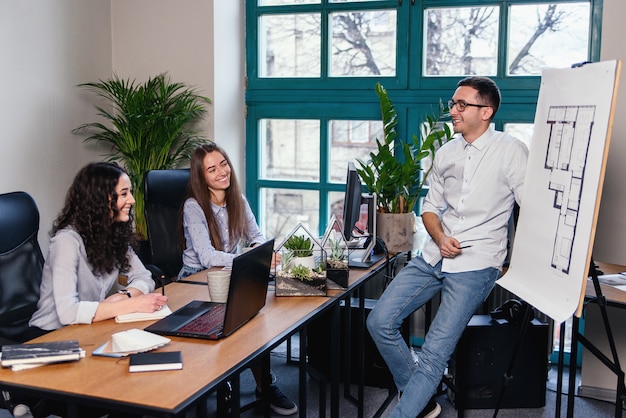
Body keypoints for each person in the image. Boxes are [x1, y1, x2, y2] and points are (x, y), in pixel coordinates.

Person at [366, 76, 529, 418]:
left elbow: (531, 208)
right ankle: (421, 401)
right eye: (453, 103)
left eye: (461, 105)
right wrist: (439, 237)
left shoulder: (510, 151)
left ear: (486, 111)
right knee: (380, 321)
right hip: (434, 256)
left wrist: (518, 260)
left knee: (434, 353)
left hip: (477, 263)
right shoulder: (446, 152)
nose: (452, 110)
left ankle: (405, 411)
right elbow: (430, 208)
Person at [25, 161, 167, 418]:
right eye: (124, 194)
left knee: (142, 379)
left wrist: (123, 296)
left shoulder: (112, 233)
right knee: (125, 390)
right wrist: (132, 304)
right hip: (50, 340)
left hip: (88, 332)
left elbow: (144, 277)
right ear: (101, 199)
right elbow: (68, 312)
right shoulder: (67, 242)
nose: (132, 200)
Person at [179, 142, 297, 416]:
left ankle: (264, 384)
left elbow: (257, 237)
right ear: (202, 177)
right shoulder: (193, 206)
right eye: (212, 169)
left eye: (223, 163)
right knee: (233, 325)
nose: (222, 171)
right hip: (195, 281)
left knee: (256, 320)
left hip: (229, 275)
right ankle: (219, 383)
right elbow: (207, 257)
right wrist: (250, 259)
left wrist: (260, 251)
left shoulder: (238, 200)